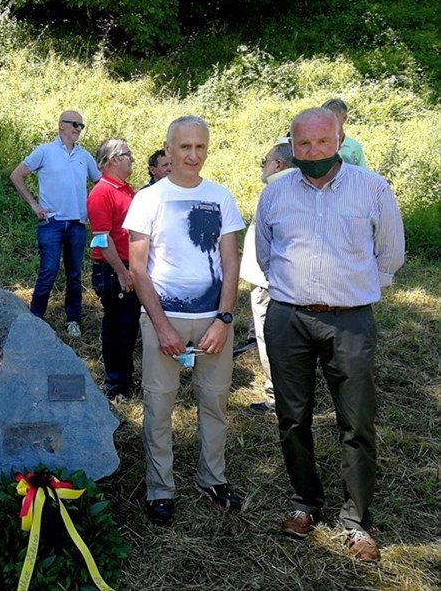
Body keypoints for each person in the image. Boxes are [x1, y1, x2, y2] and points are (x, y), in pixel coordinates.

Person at [256, 107, 404, 562]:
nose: (313, 152)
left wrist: (351, 292)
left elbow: (390, 255)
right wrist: (297, 293)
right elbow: (265, 254)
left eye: (322, 142)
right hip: (289, 319)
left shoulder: (373, 188)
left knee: (356, 421)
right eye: (303, 144)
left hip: (350, 320)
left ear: (339, 140)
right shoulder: (275, 193)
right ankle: (305, 503)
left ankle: (356, 521)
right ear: (292, 144)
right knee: (292, 416)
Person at [125, 116, 245, 526]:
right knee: (159, 407)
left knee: (214, 404)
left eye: (200, 148)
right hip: (164, 321)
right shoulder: (149, 199)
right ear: (168, 149)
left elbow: (231, 262)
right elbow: (139, 270)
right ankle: (160, 488)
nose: (193, 156)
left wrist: (224, 319)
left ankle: (214, 479)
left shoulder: (221, 198)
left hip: (213, 324)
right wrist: (161, 326)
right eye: (184, 148)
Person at [10, 110, 101, 337]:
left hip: (77, 224)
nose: (78, 129)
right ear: (61, 125)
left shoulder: (84, 156)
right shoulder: (45, 151)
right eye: (75, 124)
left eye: (82, 126)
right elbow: (17, 175)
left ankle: (73, 320)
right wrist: (34, 204)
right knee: (48, 271)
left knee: (74, 274)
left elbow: (101, 183)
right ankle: (35, 318)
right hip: (51, 222)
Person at [240, 139, 295, 414]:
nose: (262, 166)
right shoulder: (300, 188)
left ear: (278, 164)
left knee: (269, 338)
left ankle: (277, 399)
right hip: (281, 280)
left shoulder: (276, 191)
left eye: (265, 161)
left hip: (268, 282)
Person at [87, 139, 141, 402]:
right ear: (111, 161)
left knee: (129, 326)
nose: (132, 158)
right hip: (112, 270)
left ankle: (126, 381)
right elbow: (101, 238)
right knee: (117, 328)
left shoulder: (126, 189)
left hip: (127, 267)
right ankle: (116, 387)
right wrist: (121, 271)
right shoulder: (102, 192)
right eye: (126, 154)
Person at [322, 98, 367, 168]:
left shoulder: (355, 147)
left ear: (344, 118)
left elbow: (362, 174)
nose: (330, 121)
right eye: (326, 117)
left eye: (334, 116)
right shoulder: (318, 145)